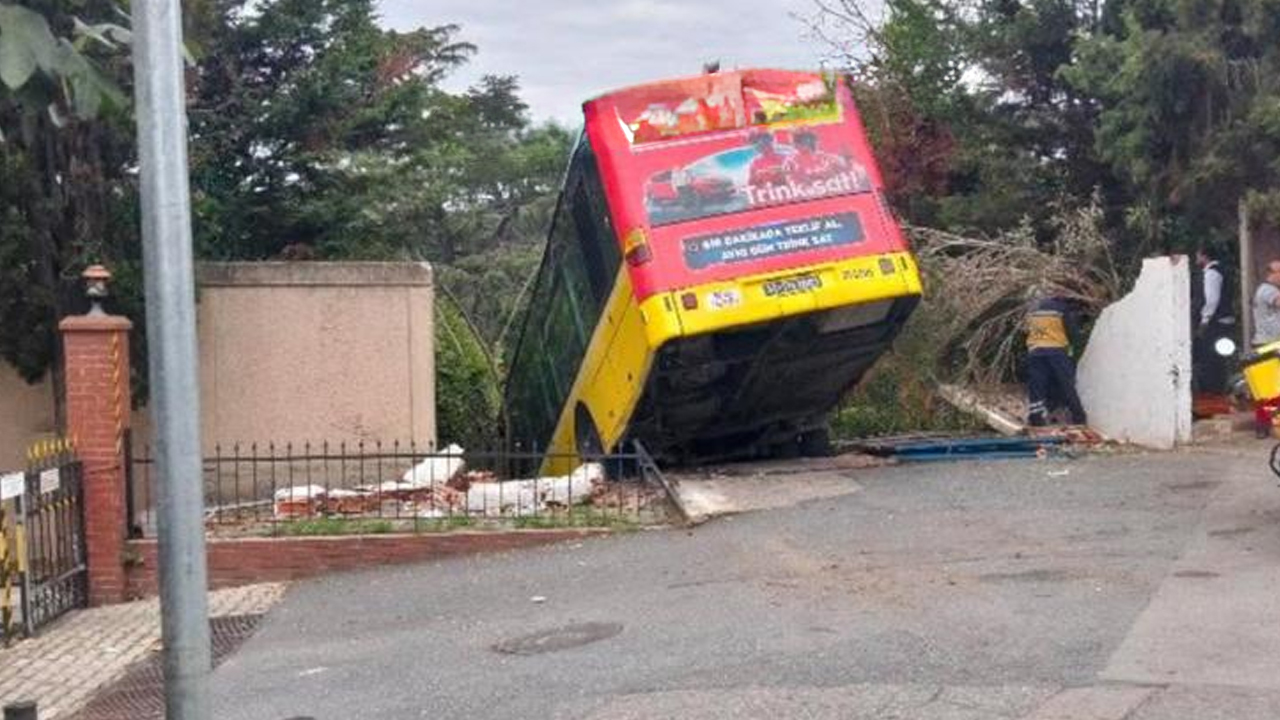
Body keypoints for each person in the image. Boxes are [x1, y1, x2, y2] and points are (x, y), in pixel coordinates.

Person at [1024, 291, 1088, 427]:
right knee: (1067, 385)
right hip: (1056, 351)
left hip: (1035, 351)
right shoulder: (1062, 309)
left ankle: (1036, 419)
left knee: (1037, 387)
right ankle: (1079, 418)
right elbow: (1073, 333)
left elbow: (1028, 329)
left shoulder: (1034, 308)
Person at [1192, 249, 1235, 393]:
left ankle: (1212, 391)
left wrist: (1204, 321)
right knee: (1218, 360)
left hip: (1215, 324)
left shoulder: (1212, 273)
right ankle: (1217, 388)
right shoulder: (1223, 270)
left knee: (1209, 359)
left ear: (1204, 256)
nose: (1196, 257)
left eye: (1198, 254)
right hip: (1224, 320)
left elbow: (1211, 299)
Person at [1253, 260, 1280, 347]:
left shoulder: (1267, 288)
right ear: (1271, 273)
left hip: (1270, 341)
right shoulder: (1268, 290)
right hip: (1268, 343)